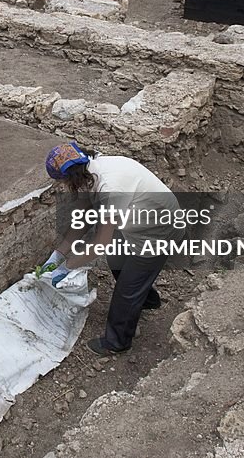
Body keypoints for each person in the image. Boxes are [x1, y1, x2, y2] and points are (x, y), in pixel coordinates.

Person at [39, 143, 183, 356]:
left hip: (160, 230)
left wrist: (66, 268)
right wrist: (59, 253)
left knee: (126, 290)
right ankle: (148, 300)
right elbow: (82, 219)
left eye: (62, 182)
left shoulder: (109, 186)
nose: (62, 187)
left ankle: (117, 342)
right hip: (141, 222)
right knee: (118, 262)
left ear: (72, 177)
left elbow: (100, 244)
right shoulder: (92, 171)